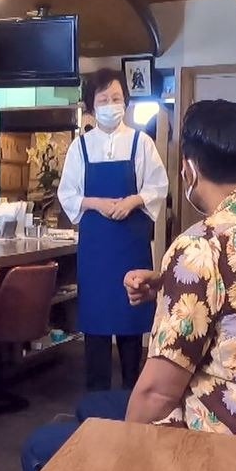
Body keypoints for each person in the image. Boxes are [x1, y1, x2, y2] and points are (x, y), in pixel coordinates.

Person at [22, 99, 236, 471]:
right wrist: (168, 282)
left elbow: (157, 394)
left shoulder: (200, 245)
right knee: (94, 405)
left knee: (40, 446)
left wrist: (124, 466)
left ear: (190, 170)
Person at [58, 68, 169, 392]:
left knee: (131, 321)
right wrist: (96, 203)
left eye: (116, 98)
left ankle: (134, 396)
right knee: (96, 324)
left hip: (130, 247)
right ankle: (97, 399)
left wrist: (134, 200)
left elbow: (158, 186)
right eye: (103, 99)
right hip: (96, 251)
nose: (110, 105)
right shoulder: (80, 147)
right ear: (91, 106)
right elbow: (68, 194)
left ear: (126, 102)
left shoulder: (141, 142)